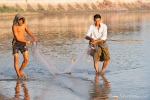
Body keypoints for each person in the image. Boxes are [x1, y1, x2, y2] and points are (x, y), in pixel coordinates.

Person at [12, 13, 37, 78]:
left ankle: (19, 71)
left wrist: (33, 37)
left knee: (26, 60)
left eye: (22, 20)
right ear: (17, 20)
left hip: (23, 43)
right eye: (20, 20)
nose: (21, 21)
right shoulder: (14, 26)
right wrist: (27, 41)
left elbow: (27, 30)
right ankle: (18, 75)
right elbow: (17, 38)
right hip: (16, 44)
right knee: (16, 59)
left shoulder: (24, 24)